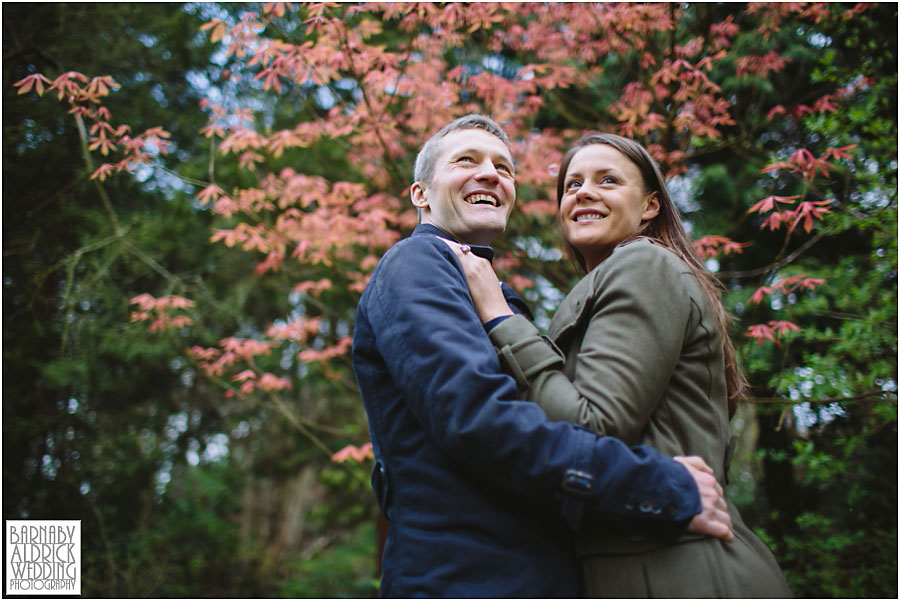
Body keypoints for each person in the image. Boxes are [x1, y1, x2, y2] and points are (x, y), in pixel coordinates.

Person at [351, 115, 734, 598]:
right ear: (421, 195)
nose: (491, 174)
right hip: (465, 576)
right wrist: (661, 486)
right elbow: (478, 419)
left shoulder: (501, 299)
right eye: (466, 160)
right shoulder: (417, 264)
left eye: (503, 168)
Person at [444, 132, 791, 597]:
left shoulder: (644, 266)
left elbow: (592, 428)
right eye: (572, 185)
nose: (584, 191)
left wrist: (500, 316)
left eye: (608, 180)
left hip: (676, 571)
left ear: (650, 206)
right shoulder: (613, 283)